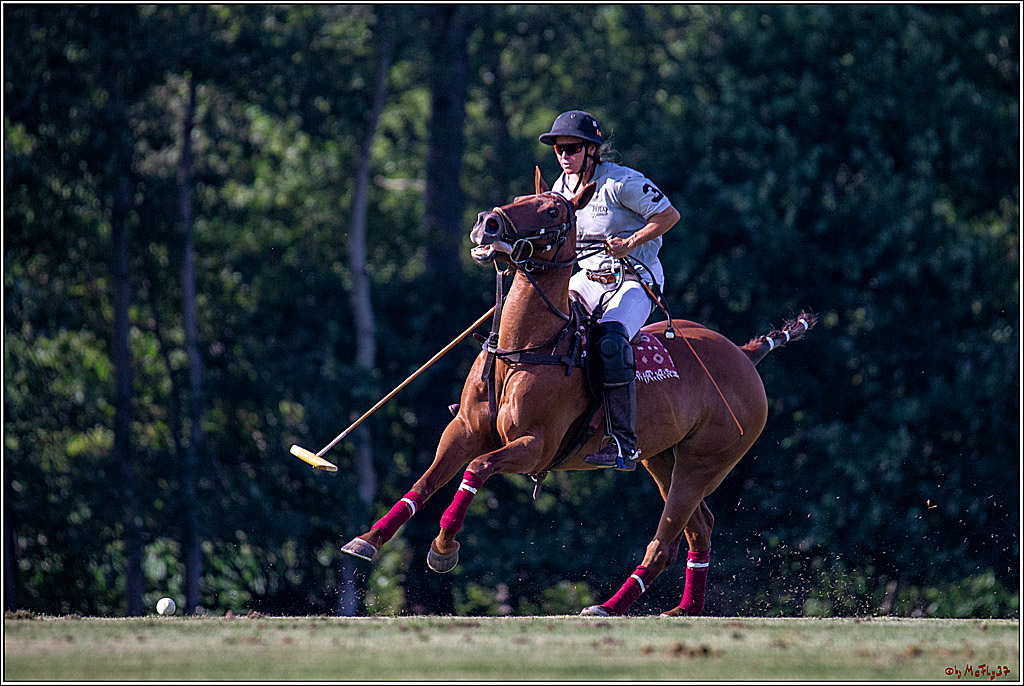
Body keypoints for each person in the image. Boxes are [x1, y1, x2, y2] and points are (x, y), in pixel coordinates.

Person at [539, 110, 680, 471]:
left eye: (571, 148)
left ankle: (624, 442)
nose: (564, 155)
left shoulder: (621, 183)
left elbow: (669, 216)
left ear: (592, 150)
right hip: (588, 278)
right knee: (540, 321)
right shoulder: (559, 189)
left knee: (611, 342)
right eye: (558, 149)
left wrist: (631, 242)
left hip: (635, 279)